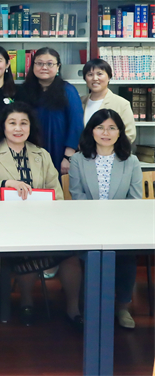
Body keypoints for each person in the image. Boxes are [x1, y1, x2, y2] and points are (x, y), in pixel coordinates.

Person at [0, 102, 81, 327]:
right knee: (24, 251)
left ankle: (74, 309)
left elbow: (57, 194)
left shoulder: (41, 154)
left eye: (23, 123)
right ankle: (26, 301)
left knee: (71, 256)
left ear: (30, 127)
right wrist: (5, 184)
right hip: (4, 226)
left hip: (42, 224)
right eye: (12, 123)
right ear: (3, 126)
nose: (18, 128)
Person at [69, 109, 144, 329]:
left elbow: (134, 200)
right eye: (100, 127)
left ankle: (122, 307)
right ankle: (93, 307)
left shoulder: (131, 161)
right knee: (90, 256)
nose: (106, 133)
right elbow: (77, 195)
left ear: (120, 132)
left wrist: (115, 225)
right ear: (91, 131)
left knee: (127, 257)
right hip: (87, 226)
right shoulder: (78, 160)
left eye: (112, 128)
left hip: (121, 227)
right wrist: (97, 223)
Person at [16, 47, 83, 174]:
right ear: (33, 65)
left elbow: (76, 124)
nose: (44, 67)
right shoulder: (23, 91)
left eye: (49, 64)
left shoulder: (68, 91)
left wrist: (68, 156)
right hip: (28, 148)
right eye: (39, 63)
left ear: (58, 67)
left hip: (58, 149)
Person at [81, 59, 136, 144]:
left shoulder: (122, 104)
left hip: (112, 151)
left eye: (99, 74)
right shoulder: (79, 102)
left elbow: (129, 135)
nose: (95, 78)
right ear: (85, 78)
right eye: (90, 74)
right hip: (82, 151)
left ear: (109, 77)